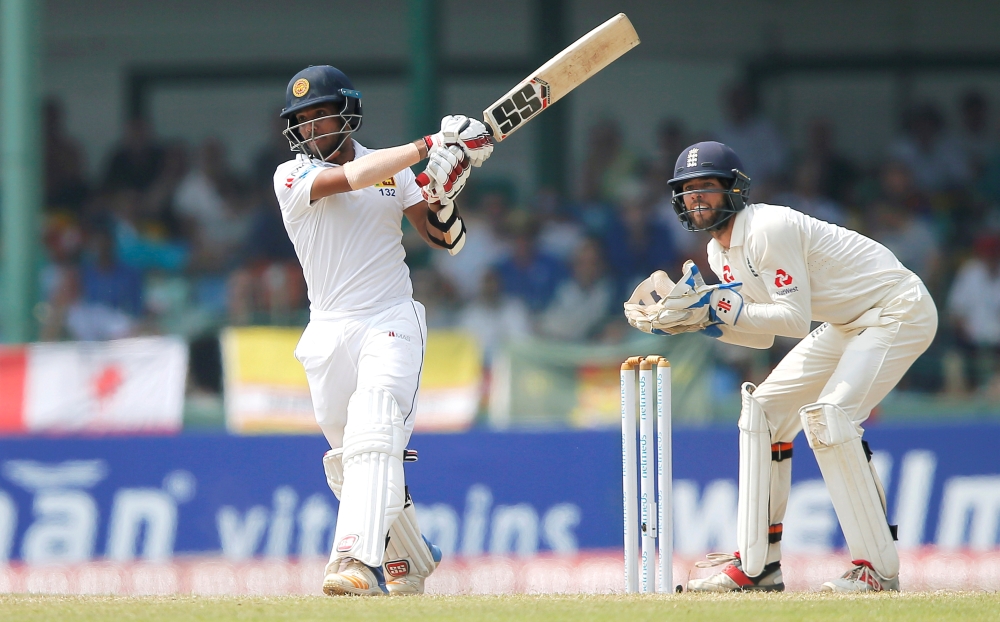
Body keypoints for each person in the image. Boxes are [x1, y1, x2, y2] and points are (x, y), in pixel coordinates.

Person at [624, 141, 937, 592]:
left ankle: (878, 571)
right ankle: (758, 567)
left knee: (830, 416)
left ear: (734, 190)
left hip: (896, 308)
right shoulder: (718, 254)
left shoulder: (768, 228)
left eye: (707, 187)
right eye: (688, 190)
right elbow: (760, 332)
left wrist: (715, 306)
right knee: (763, 411)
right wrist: (700, 320)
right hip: (846, 322)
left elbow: (791, 319)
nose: (697, 198)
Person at [272, 65, 492, 596]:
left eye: (320, 115)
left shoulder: (390, 172)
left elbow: (444, 239)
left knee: (375, 429)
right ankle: (412, 556)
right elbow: (349, 180)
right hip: (327, 330)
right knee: (350, 463)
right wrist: (429, 145)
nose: (311, 129)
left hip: (390, 319)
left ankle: (354, 561)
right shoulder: (290, 176)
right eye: (301, 121)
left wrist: (444, 188)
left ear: (346, 114)